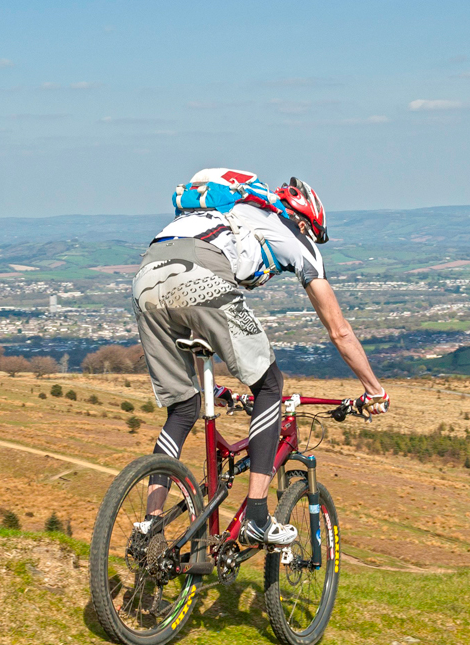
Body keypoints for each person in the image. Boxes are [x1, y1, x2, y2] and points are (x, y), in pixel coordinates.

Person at [132, 169, 388, 545]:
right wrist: (373, 389)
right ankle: (256, 516)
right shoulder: (296, 237)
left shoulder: (232, 208)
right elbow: (339, 330)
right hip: (202, 275)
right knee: (270, 386)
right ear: (305, 221)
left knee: (183, 409)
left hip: (146, 274)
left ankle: (149, 528)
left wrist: (214, 389)